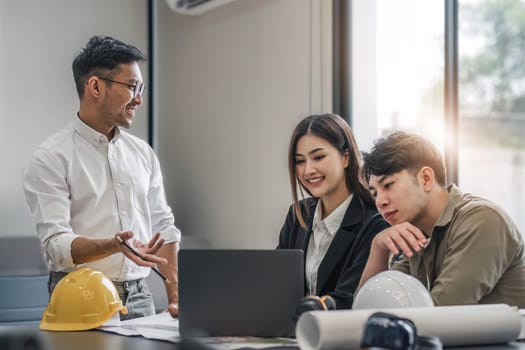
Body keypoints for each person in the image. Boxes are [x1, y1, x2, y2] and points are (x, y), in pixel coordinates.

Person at [23, 35, 181, 319]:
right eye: (132, 87)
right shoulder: (50, 157)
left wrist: (176, 296)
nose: (139, 99)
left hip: (140, 296)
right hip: (79, 296)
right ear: (95, 86)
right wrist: (112, 245)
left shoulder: (142, 153)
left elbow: (164, 226)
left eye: (141, 87)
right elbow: (56, 245)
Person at [359, 131, 525, 307]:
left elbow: (441, 314)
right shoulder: (418, 236)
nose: (380, 202)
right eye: (374, 193)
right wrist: (379, 248)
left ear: (426, 178)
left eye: (388, 185)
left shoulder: (482, 220)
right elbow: (367, 309)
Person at [277, 113, 389, 309]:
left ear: (346, 157)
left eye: (318, 157)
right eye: (300, 161)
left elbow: (348, 300)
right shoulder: (298, 215)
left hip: (338, 335)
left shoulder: (374, 224)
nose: (308, 170)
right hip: (292, 334)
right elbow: (275, 284)